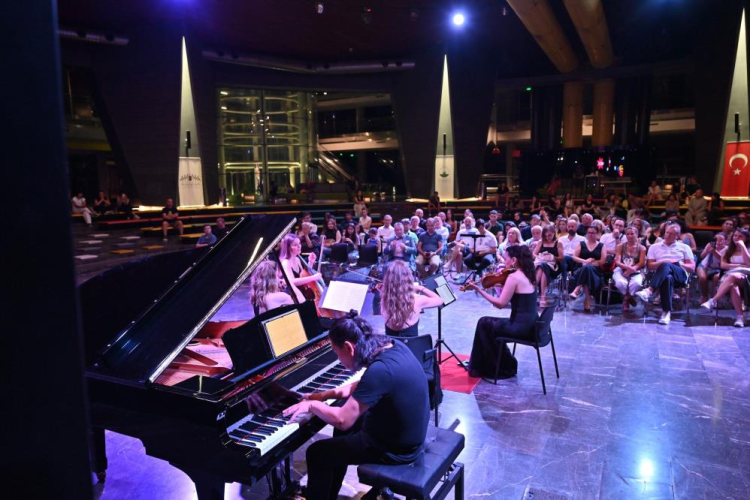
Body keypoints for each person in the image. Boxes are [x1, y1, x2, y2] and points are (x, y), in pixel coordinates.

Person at [283, 314, 429, 500]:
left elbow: (342, 420)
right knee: (341, 435)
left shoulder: (379, 371)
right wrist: (324, 395)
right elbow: (364, 386)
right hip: (408, 435)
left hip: (395, 450)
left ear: (349, 347)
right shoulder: (392, 346)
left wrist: (312, 405)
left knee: (316, 453)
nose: (339, 360)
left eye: (337, 354)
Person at [466, 245, 538, 379]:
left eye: (506, 259)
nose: (504, 262)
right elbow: (516, 292)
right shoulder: (529, 274)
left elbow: (500, 304)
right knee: (488, 325)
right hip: (532, 325)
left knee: (483, 323)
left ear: (514, 260)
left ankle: (494, 367)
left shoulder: (514, 277)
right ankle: (504, 363)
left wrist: (479, 290)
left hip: (519, 328)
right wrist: (495, 283)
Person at [635, 223, 696, 325]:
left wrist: (677, 263)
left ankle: (650, 290)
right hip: (661, 276)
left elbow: (692, 267)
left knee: (667, 265)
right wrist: (664, 262)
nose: (667, 235)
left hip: (680, 275)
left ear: (677, 236)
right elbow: (650, 266)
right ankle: (666, 313)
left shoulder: (685, 247)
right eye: (667, 232)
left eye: (671, 234)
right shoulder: (654, 247)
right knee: (667, 277)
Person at [701, 229, 750, 327]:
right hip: (731, 276)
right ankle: (740, 317)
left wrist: (743, 246)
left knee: (733, 276)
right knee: (733, 286)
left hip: (746, 276)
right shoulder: (728, 250)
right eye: (735, 235)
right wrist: (739, 265)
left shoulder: (747, 249)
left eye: (740, 236)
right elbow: (723, 265)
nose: (737, 238)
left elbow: (748, 263)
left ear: (747, 238)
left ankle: (713, 300)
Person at [380, 260, 443, 336]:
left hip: (391, 343)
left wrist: (385, 289)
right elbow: (439, 300)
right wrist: (421, 288)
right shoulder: (417, 300)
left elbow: (393, 295)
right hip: (411, 343)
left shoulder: (384, 299)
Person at [569, 224, 605, 312]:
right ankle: (587, 299)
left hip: (595, 272)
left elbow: (602, 261)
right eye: (589, 232)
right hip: (580, 269)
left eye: (593, 233)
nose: (590, 235)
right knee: (586, 269)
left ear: (597, 234)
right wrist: (585, 261)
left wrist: (592, 263)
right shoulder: (581, 244)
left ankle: (577, 290)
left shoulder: (601, 246)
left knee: (588, 268)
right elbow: (574, 257)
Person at [279, 233, 323, 303]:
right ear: (288, 247)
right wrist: (313, 277)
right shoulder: (286, 262)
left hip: (302, 292)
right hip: (293, 296)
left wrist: (310, 262)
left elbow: (303, 276)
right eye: (295, 245)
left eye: (299, 243)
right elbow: (292, 282)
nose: (299, 246)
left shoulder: (297, 259)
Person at [613, 226, 646, 311]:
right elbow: (618, 262)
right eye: (627, 234)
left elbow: (641, 262)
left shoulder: (642, 248)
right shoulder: (620, 246)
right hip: (621, 269)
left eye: (632, 234)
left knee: (636, 284)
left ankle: (626, 299)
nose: (630, 236)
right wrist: (627, 268)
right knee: (620, 283)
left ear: (636, 234)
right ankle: (629, 298)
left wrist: (632, 270)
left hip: (636, 270)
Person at [533, 225, 563, 306]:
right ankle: (543, 297)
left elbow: (561, 258)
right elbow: (534, 254)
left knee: (543, 267)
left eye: (549, 235)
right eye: (545, 236)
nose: (547, 237)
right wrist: (540, 256)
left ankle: (532, 289)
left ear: (554, 233)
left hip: (553, 267)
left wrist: (552, 257)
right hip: (540, 265)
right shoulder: (540, 242)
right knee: (542, 267)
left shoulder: (558, 243)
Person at [697, 232, 727, 304]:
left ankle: (714, 298)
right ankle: (704, 296)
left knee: (717, 277)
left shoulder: (727, 249)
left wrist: (714, 251)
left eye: (721, 240)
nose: (718, 242)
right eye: (716, 239)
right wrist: (706, 250)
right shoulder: (710, 245)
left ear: (725, 241)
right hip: (704, 265)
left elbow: (723, 259)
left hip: (718, 268)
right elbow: (702, 256)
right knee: (702, 277)